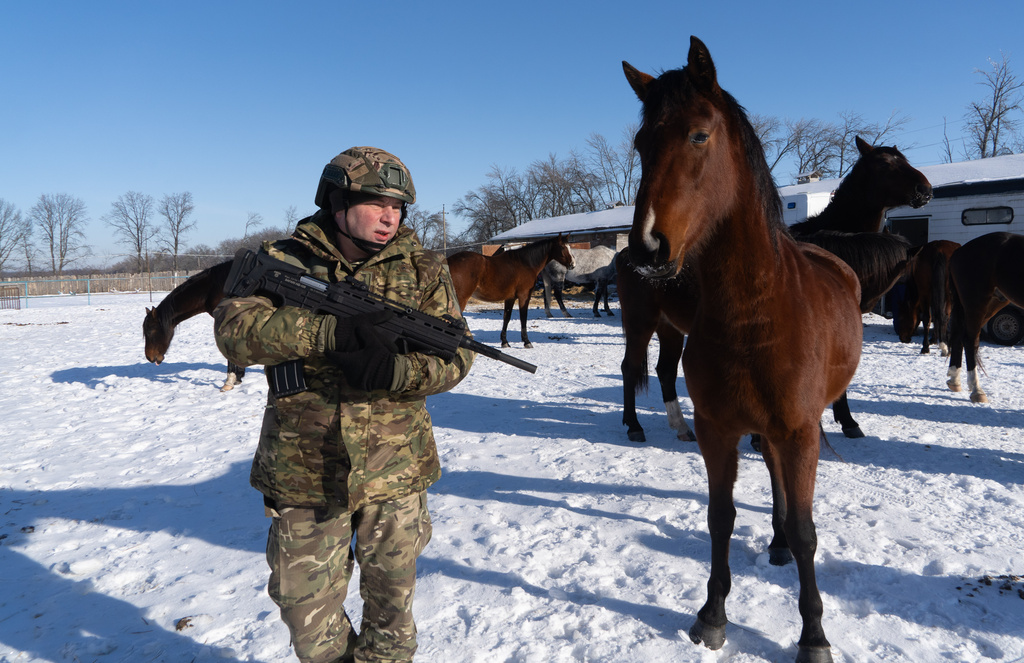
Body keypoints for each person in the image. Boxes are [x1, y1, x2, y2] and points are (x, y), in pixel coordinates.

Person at [213, 147, 474, 663]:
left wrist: (400, 372)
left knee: (392, 614)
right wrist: (327, 331)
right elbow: (234, 334)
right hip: (303, 469)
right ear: (338, 201)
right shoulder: (282, 258)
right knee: (302, 608)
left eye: (398, 207)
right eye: (377, 202)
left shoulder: (423, 268)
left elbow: (458, 353)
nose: (390, 216)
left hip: (394, 471)